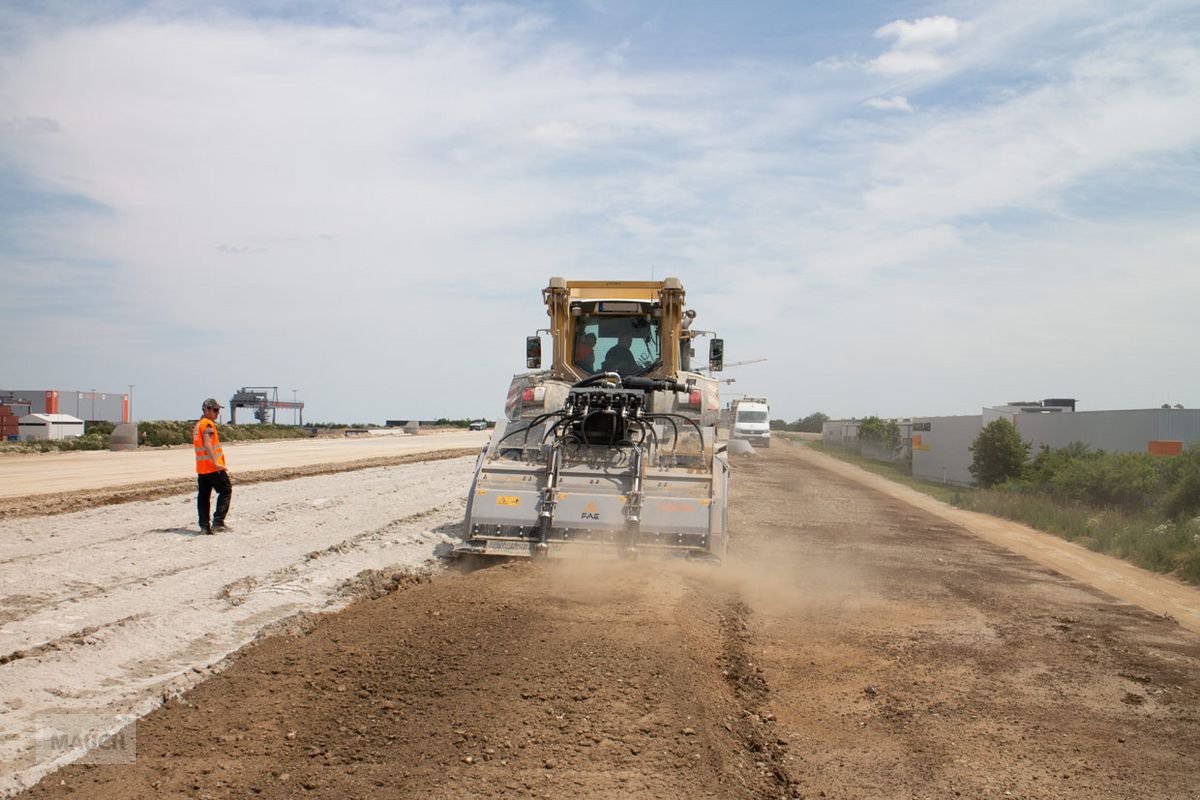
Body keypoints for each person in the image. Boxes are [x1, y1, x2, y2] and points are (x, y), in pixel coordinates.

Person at [194, 397, 232, 534]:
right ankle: (218, 522)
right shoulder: (208, 425)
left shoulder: (198, 424)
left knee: (204, 496)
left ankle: (204, 526)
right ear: (206, 410)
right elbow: (207, 443)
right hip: (212, 467)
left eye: (218, 410)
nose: (217, 413)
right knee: (226, 490)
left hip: (202, 468)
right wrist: (216, 462)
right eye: (215, 410)